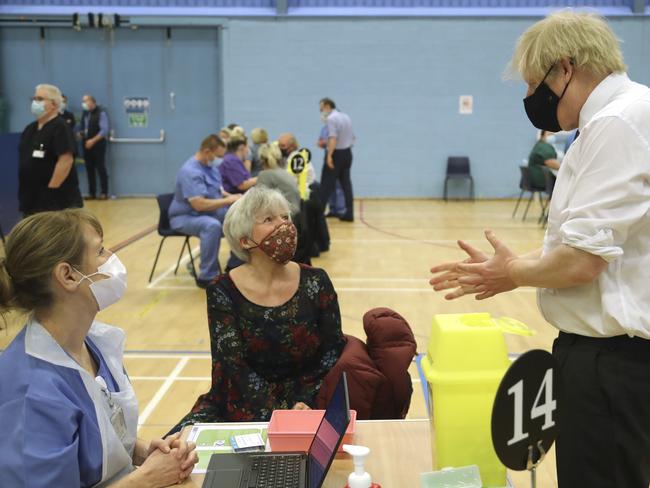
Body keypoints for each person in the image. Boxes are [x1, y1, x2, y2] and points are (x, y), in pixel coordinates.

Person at [429, 11, 650, 488]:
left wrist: (513, 274)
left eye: (534, 84)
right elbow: (592, 246)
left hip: (610, 361)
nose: (532, 99)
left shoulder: (616, 123)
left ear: (564, 68)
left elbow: (582, 261)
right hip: (612, 356)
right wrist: (518, 266)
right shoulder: (623, 114)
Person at [0, 209, 198, 487]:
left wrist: (141, 451)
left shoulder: (91, 343)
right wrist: (145, 480)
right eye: (101, 251)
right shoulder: (32, 393)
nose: (112, 258)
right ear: (67, 276)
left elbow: (97, 438)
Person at [168, 187, 346, 433]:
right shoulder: (222, 291)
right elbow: (232, 365)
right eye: (269, 219)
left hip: (309, 402)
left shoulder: (316, 281)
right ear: (244, 240)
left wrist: (306, 400)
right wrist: (278, 413)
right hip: (240, 402)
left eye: (285, 217)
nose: (284, 225)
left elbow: (332, 351)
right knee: (171, 451)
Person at [169, 134, 241, 288]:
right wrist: (228, 201)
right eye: (218, 156)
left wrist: (233, 197)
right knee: (211, 226)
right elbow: (199, 205)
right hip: (185, 216)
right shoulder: (190, 171)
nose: (221, 159)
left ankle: (236, 264)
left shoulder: (211, 168)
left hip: (206, 212)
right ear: (208, 152)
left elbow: (218, 191)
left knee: (237, 218)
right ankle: (207, 276)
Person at [18, 83, 83, 216]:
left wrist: (51, 190)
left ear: (53, 104)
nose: (35, 102)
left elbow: (65, 160)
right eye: (34, 99)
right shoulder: (30, 129)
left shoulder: (60, 127)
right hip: (31, 199)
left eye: (40, 99)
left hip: (55, 200)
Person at [317, 98, 355, 222]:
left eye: (321, 108)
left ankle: (318, 214)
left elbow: (333, 138)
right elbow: (352, 137)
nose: (321, 111)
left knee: (325, 185)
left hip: (336, 154)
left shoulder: (331, 119)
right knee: (346, 184)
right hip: (347, 152)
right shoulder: (346, 116)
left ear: (328, 106)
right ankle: (349, 213)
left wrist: (329, 155)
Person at [79, 94, 110, 200]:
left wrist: (92, 140)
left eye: (86, 101)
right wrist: (81, 134)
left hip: (98, 145)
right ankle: (92, 193)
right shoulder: (85, 113)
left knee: (101, 168)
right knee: (89, 169)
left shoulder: (101, 113)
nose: (84, 103)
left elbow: (104, 130)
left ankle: (104, 192)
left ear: (92, 102)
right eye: (83, 101)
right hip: (86, 145)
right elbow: (84, 128)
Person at [317, 124, 346, 218]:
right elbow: (321, 141)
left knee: (338, 184)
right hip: (327, 155)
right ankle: (332, 209)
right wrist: (321, 143)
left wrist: (330, 142)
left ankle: (341, 210)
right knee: (329, 185)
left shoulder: (341, 128)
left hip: (337, 155)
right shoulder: (324, 128)